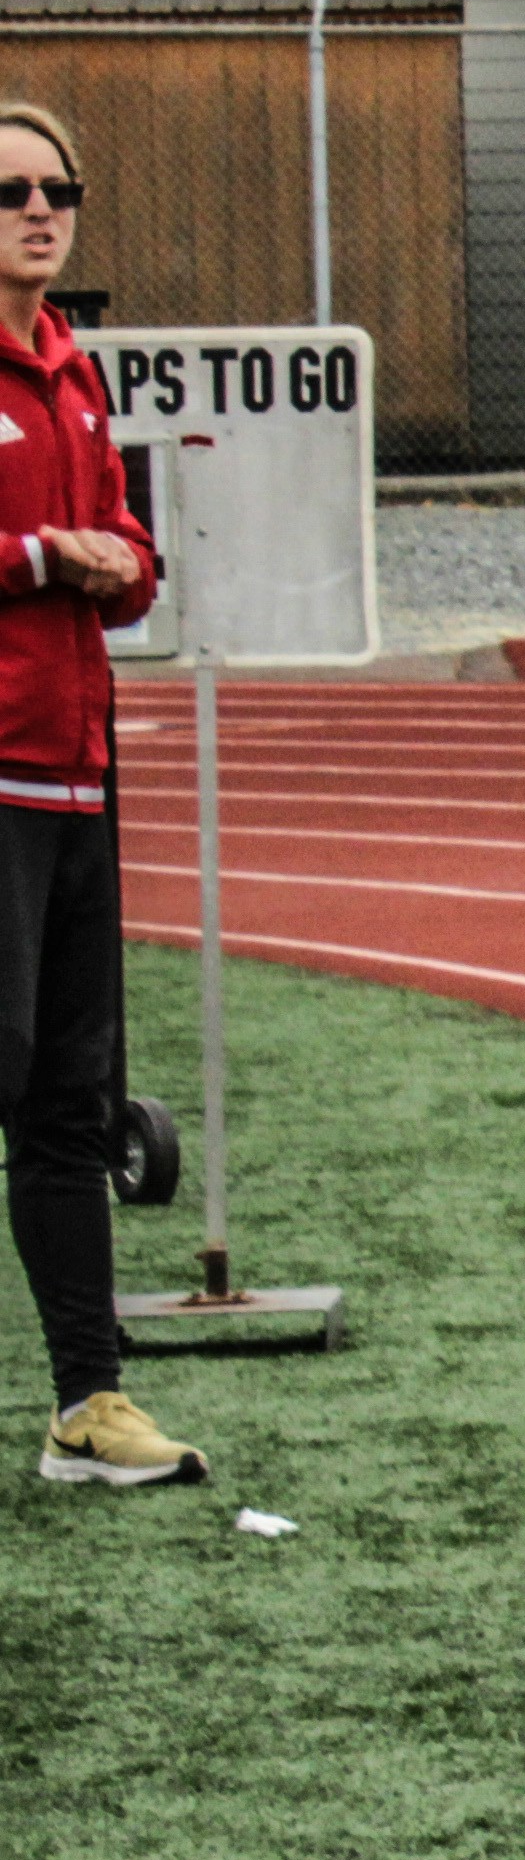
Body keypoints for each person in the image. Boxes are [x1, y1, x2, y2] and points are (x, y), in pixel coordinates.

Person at [0, 105, 192, 1493]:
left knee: (70, 1102)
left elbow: (132, 549)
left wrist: (110, 562)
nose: (38, 208)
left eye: (58, 186)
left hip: (79, 778)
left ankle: (87, 1407)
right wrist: (38, 555)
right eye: (10, 190)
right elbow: (57, 549)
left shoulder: (72, 370)